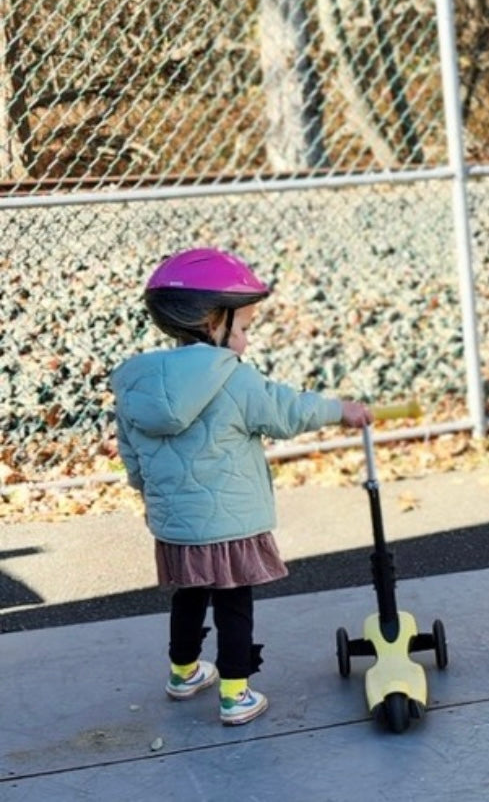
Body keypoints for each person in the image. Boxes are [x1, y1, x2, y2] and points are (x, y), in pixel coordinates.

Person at [111, 247, 371, 724]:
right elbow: (286, 411)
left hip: (177, 523)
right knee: (233, 601)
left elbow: (131, 455)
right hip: (230, 520)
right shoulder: (233, 378)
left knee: (189, 596)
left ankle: (183, 672)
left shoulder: (136, 385)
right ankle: (235, 694)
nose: (247, 340)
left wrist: (148, 496)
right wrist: (340, 409)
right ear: (213, 321)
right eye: (245, 327)